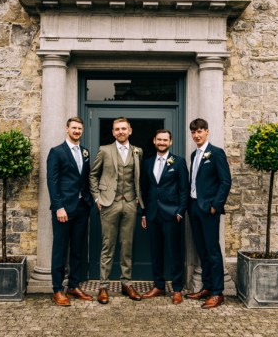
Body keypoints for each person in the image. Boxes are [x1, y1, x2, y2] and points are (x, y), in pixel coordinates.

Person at [89, 117, 144, 304]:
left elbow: (138, 177)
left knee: (127, 245)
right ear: (113, 132)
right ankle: (103, 286)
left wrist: (137, 198)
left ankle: (126, 283)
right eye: (117, 129)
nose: (120, 131)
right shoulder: (104, 150)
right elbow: (93, 175)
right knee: (108, 245)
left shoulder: (138, 151)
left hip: (129, 203)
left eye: (123, 128)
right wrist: (97, 197)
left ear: (130, 130)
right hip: (109, 203)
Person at [46, 117, 94, 306]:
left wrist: (90, 201)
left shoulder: (85, 152)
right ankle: (58, 290)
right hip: (63, 210)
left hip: (82, 208)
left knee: (77, 249)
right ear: (67, 129)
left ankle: (74, 286)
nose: (77, 131)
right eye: (74, 128)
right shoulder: (57, 152)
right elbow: (52, 181)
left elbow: (85, 178)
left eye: (79, 128)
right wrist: (58, 207)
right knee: (60, 249)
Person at [185, 118, 231, 309]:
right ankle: (207, 286)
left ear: (207, 132)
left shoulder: (216, 153)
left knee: (212, 250)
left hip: (208, 208)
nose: (196, 135)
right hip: (194, 207)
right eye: (194, 132)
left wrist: (216, 205)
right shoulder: (194, 155)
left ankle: (218, 293)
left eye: (200, 131)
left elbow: (225, 181)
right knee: (201, 249)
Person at [140, 129, 189, 304]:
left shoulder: (179, 162)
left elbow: (184, 190)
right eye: (159, 139)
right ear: (154, 141)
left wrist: (180, 212)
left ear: (171, 142)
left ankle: (177, 289)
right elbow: (144, 190)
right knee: (156, 252)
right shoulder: (147, 163)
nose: (162, 142)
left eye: (165, 140)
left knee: (174, 252)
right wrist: (144, 213)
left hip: (171, 214)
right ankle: (159, 286)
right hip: (153, 214)